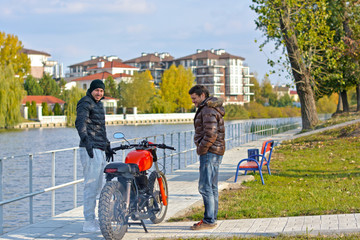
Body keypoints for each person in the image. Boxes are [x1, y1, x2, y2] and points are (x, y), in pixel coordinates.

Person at [75, 79, 115, 232]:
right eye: (97, 90)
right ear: (91, 90)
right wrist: (86, 141)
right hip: (89, 149)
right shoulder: (85, 102)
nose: (99, 93)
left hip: (99, 148)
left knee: (98, 186)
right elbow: (80, 123)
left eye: (102, 91)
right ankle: (88, 222)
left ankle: (94, 219)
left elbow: (100, 128)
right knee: (90, 186)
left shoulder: (99, 104)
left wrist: (107, 145)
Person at [188, 85, 225, 230]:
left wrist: (201, 149)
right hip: (214, 151)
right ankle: (211, 219)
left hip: (209, 152)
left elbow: (211, 134)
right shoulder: (209, 108)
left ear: (202, 95)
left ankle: (209, 220)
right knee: (212, 186)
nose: (193, 101)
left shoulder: (208, 110)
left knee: (205, 186)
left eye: (194, 98)